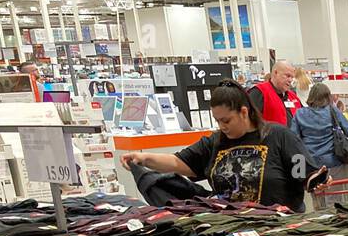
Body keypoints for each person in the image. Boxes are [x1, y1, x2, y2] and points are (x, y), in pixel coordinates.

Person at [120, 80, 325, 212]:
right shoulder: (215, 142)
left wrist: (316, 180)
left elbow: (303, 171)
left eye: (226, 120)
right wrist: (143, 158)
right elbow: (177, 162)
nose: (221, 126)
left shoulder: (279, 136)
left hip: (278, 232)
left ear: (244, 112)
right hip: (231, 231)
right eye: (218, 121)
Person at [291, 82, 348, 172]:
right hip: (332, 161)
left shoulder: (299, 113)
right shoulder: (332, 110)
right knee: (336, 185)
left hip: (309, 162)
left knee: (314, 186)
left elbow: (294, 138)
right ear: (328, 96)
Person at [247, 59, 303, 126]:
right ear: (275, 73)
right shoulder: (259, 92)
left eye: (292, 77)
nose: (290, 80)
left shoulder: (293, 97)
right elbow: (248, 121)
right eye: (287, 76)